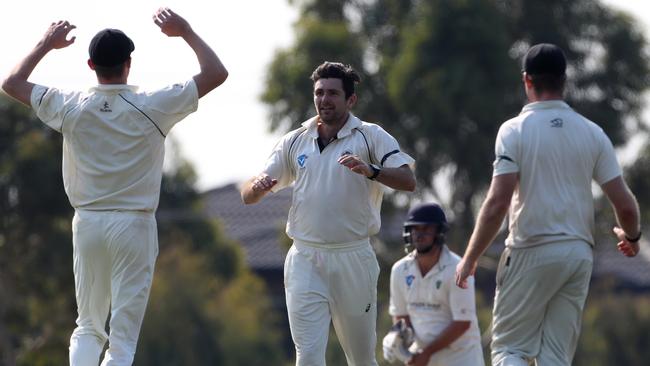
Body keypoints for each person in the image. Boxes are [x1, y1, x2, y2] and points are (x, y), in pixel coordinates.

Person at [1, 8, 227, 365]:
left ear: (91, 65)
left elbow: (11, 83)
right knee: (122, 340)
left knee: (88, 327)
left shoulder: (71, 106)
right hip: (133, 225)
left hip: (87, 224)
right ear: (129, 64)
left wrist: (46, 44)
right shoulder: (153, 105)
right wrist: (185, 32)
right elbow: (216, 73)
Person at [455, 43, 641, 366]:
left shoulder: (513, 130)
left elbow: (498, 201)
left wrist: (470, 257)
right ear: (563, 80)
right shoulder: (592, 133)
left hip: (531, 248)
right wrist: (633, 237)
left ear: (527, 81)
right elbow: (624, 206)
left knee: (509, 351)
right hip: (578, 254)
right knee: (555, 358)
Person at [241, 61, 416, 366]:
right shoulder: (295, 140)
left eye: (333, 93)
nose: (324, 100)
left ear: (351, 100)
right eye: (319, 93)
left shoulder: (370, 136)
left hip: (353, 257)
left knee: (360, 358)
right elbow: (248, 195)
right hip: (305, 258)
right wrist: (256, 188)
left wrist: (372, 171)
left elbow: (408, 180)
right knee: (307, 356)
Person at [386, 203, 484, 366]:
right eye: (415, 229)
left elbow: (462, 323)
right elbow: (401, 316)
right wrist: (398, 340)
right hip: (422, 358)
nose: (419, 235)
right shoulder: (400, 270)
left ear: (439, 232)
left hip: (461, 359)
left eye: (426, 229)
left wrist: (427, 353)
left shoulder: (458, 268)